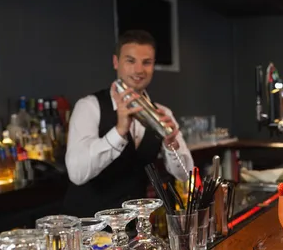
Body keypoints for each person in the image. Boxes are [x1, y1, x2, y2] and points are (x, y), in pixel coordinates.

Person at [64, 30, 193, 217]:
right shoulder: (89, 107)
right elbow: (76, 173)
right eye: (130, 61)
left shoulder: (163, 113)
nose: (139, 70)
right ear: (116, 62)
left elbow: (185, 174)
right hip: (89, 229)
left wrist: (171, 145)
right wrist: (119, 132)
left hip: (134, 230)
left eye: (146, 62)